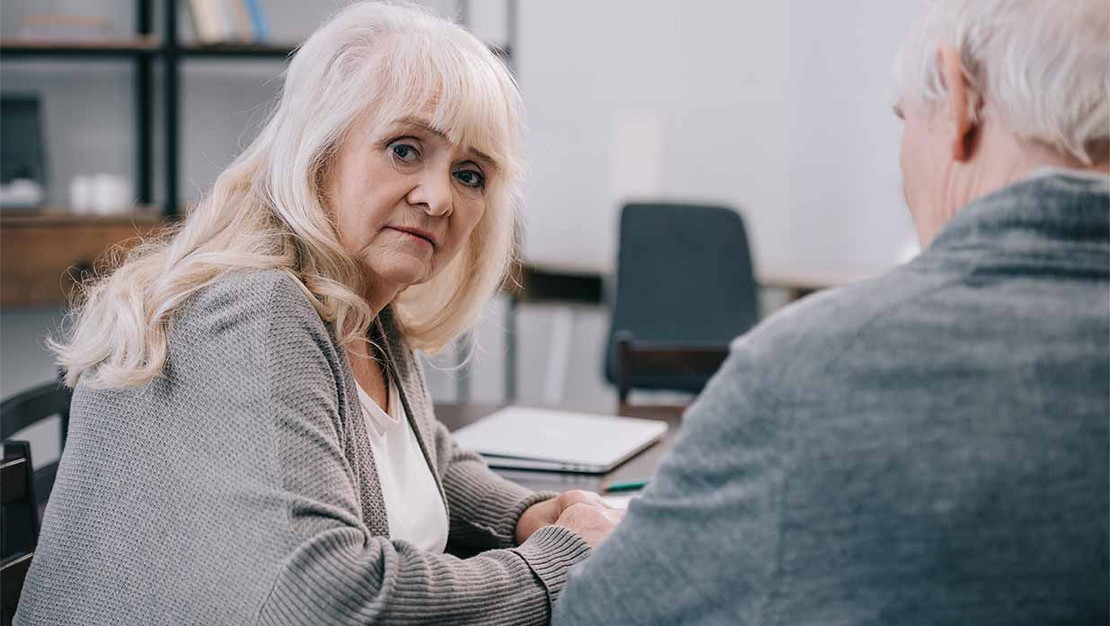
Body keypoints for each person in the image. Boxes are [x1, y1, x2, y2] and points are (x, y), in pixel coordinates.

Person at [15, 3, 620, 624]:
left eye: (470, 174)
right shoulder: (255, 309)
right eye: (405, 150)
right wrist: (550, 566)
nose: (438, 198)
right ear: (320, 148)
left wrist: (524, 515)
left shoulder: (360, 305)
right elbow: (333, 598)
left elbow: (417, 454)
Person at [554, 0, 1109, 624]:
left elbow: (603, 613)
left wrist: (608, 555)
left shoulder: (812, 368)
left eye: (906, 118)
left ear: (961, 100)